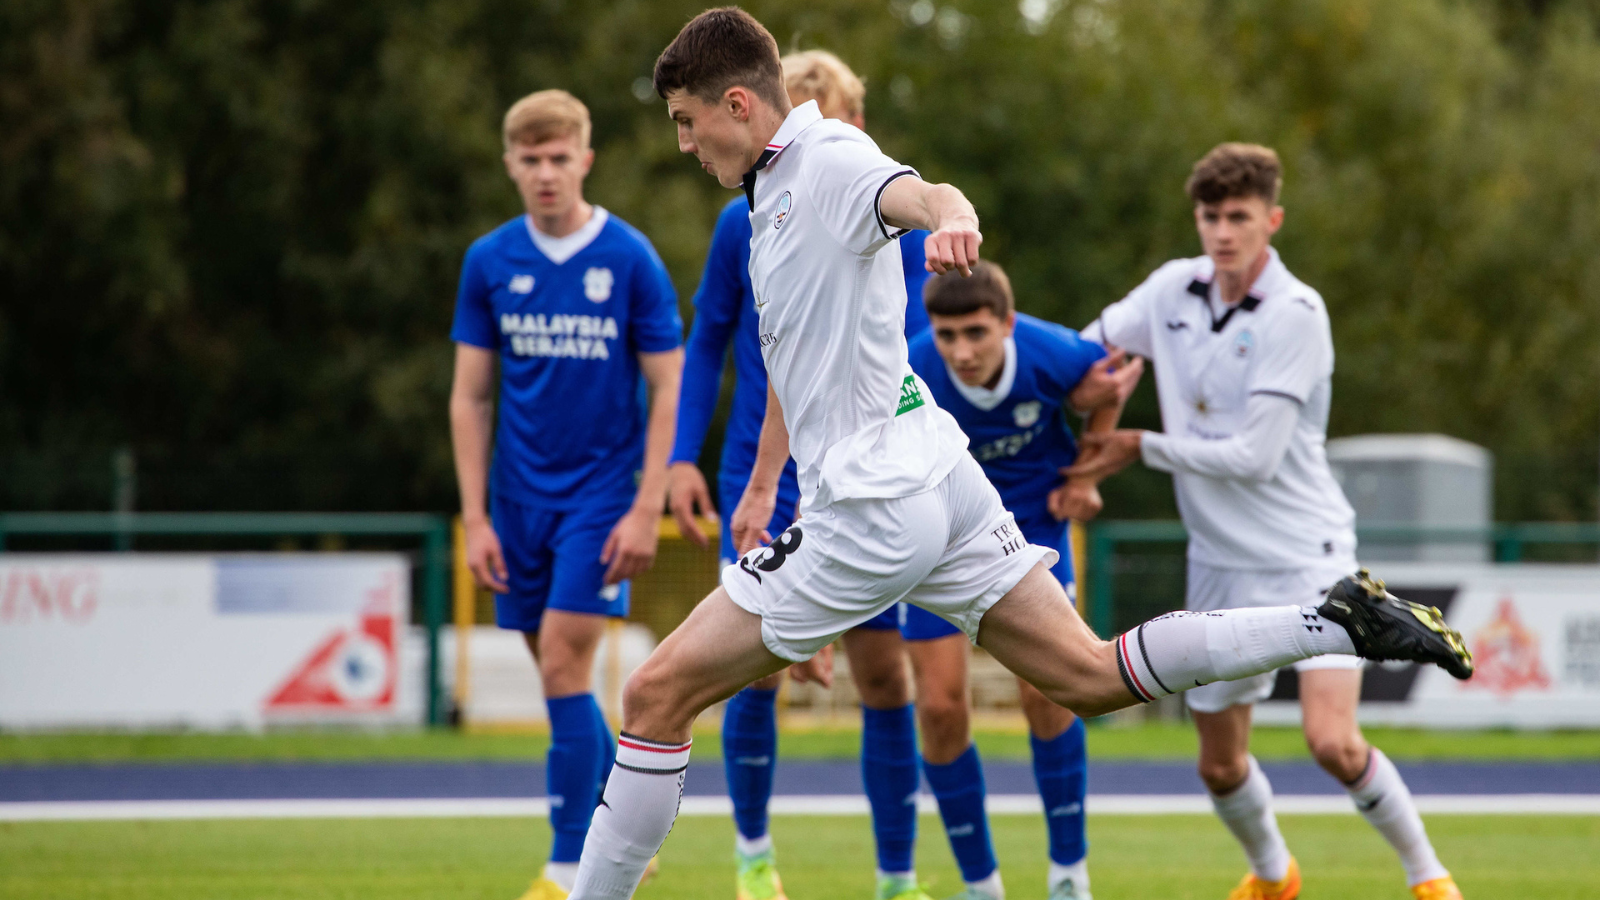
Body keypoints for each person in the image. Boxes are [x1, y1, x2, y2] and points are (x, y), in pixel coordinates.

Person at [568, 12, 1471, 900]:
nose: (683, 143)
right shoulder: (771, 193)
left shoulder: (829, 158)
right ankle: (1338, 622)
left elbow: (918, 195)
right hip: (936, 476)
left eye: (685, 120)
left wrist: (952, 217)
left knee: (652, 697)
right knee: (1088, 676)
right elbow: (798, 368)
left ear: (736, 103)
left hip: (876, 505)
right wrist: (768, 480)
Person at [1066, 143, 1465, 900]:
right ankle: (1275, 876)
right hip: (1219, 560)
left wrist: (1134, 445)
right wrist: (1056, 381)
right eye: (1210, 216)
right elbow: (1085, 352)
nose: (1222, 232)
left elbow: (1254, 456)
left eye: (1239, 217)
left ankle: (1430, 878)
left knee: (1332, 742)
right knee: (1217, 764)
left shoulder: (1297, 312)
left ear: (1271, 221)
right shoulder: (1169, 291)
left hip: (1307, 552)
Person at [665, 48, 941, 900]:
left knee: (885, 672)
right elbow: (710, 337)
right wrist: (685, 457)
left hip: (866, 470)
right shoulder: (739, 213)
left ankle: (896, 878)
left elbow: (912, 348)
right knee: (753, 666)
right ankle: (754, 861)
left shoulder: (873, 204)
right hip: (767, 467)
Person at [447, 89, 684, 900]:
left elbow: (669, 384)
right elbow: (470, 398)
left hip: (600, 500)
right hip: (515, 505)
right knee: (560, 679)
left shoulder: (628, 258)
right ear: (510, 164)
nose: (545, 173)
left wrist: (645, 502)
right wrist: (476, 517)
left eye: (559, 158)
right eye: (530, 159)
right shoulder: (489, 261)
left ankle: (564, 866)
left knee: (560, 658)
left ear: (585, 159)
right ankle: (632, 826)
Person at [903, 260, 1142, 900]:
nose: (962, 351)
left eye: (977, 332)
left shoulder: (1053, 351)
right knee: (940, 706)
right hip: (940, 536)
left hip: (1031, 527)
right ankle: (982, 887)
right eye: (947, 334)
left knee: (1050, 692)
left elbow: (1119, 376)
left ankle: (1069, 878)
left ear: (1008, 323)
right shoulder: (911, 366)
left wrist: (1086, 475)